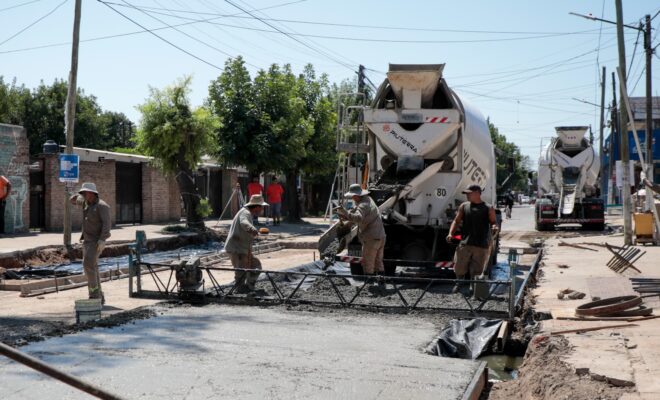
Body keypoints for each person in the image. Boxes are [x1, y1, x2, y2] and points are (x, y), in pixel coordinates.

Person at [446, 184, 498, 294]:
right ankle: (459, 283)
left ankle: (473, 286)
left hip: (481, 245)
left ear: (477, 193)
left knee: (477, 269)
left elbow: (493, 222)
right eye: (466, 193)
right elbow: (456, 221)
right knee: (459, 266)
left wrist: (494, 227)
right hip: (465, 243)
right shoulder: (464, 206)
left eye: (469, 193)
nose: (467, 195)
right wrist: (451, 233)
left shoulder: (488, 208)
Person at [69, 182, 111, 303]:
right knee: (92, 267)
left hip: (96, 241)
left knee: (88, 265)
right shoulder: (85, 203)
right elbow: (72, 200)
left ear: (92, 193)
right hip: (87, 241)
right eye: (83, 193)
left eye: (86, 193)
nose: (84, 195)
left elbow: (107, 224)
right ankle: (99, 296)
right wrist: (77, 194)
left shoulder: (102, 206)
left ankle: (94, 295)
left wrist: (103, 240)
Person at [337, 184, 386, 277]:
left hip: (371, 238)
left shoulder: (363, 204)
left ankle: (369, 284)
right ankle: (381, 283)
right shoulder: (368, 199)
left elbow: (358, 218)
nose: (352, 198)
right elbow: (360, 213)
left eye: (352, 196)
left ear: (356, 195)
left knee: (368, 264)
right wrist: (347, 216)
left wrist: (345, 213)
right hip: (380, 236)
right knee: (378, 262)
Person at [225, 194, 268, 294]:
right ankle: (240, 291)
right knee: (241, 271)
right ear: (256, 207)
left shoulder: (247, 213)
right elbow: (244, 223)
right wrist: (252, 229)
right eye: (261, 207)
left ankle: (248, 287)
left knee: (255, 265)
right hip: (237, 248)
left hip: (242, 248)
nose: (262, 209)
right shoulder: (245, 213)